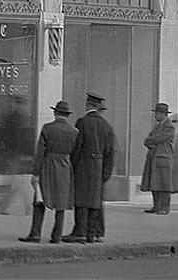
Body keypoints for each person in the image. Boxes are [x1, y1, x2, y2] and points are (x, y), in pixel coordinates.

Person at [19, 101, 78, 244]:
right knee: (61, 203)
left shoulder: (47, 128)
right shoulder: (74, 131)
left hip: (48, 166)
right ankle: (57, 235)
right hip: (65, 167)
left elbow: (40, 153)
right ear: (67, 115)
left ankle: (35, 233)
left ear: (55, 113)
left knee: (40, 199)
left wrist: (35, 173)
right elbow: (76, 153)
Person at [64, 92, 115, 244]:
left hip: (83, 165)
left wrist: (72, 164)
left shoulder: (82, 122)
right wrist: (106, 172)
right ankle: (94, 233)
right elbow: (110, 152)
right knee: (95, 201)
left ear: (88, 105)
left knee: (81, 200)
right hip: (99, 167)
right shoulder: (106, 126)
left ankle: (80, 231)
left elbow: (77, 146)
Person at [0, 95, 35, 215]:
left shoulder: (16, 118)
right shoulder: (18, 118)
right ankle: (26, 207)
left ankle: (4, 207)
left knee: (17, 183)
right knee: (18, 183)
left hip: (16, 154)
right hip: (16, 154)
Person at [142, 103, 175, 215]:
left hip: (163, 158)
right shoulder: (157, 126)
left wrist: (150, 141)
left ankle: (164, 208)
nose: (155, 116)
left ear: (162, 114)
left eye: (156, 113)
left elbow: (157, 138)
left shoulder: (169, 126)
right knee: (154, 183)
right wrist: (150, 141)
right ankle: (156, 206)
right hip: (154, 158)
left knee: (164, 184)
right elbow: (148, 140)